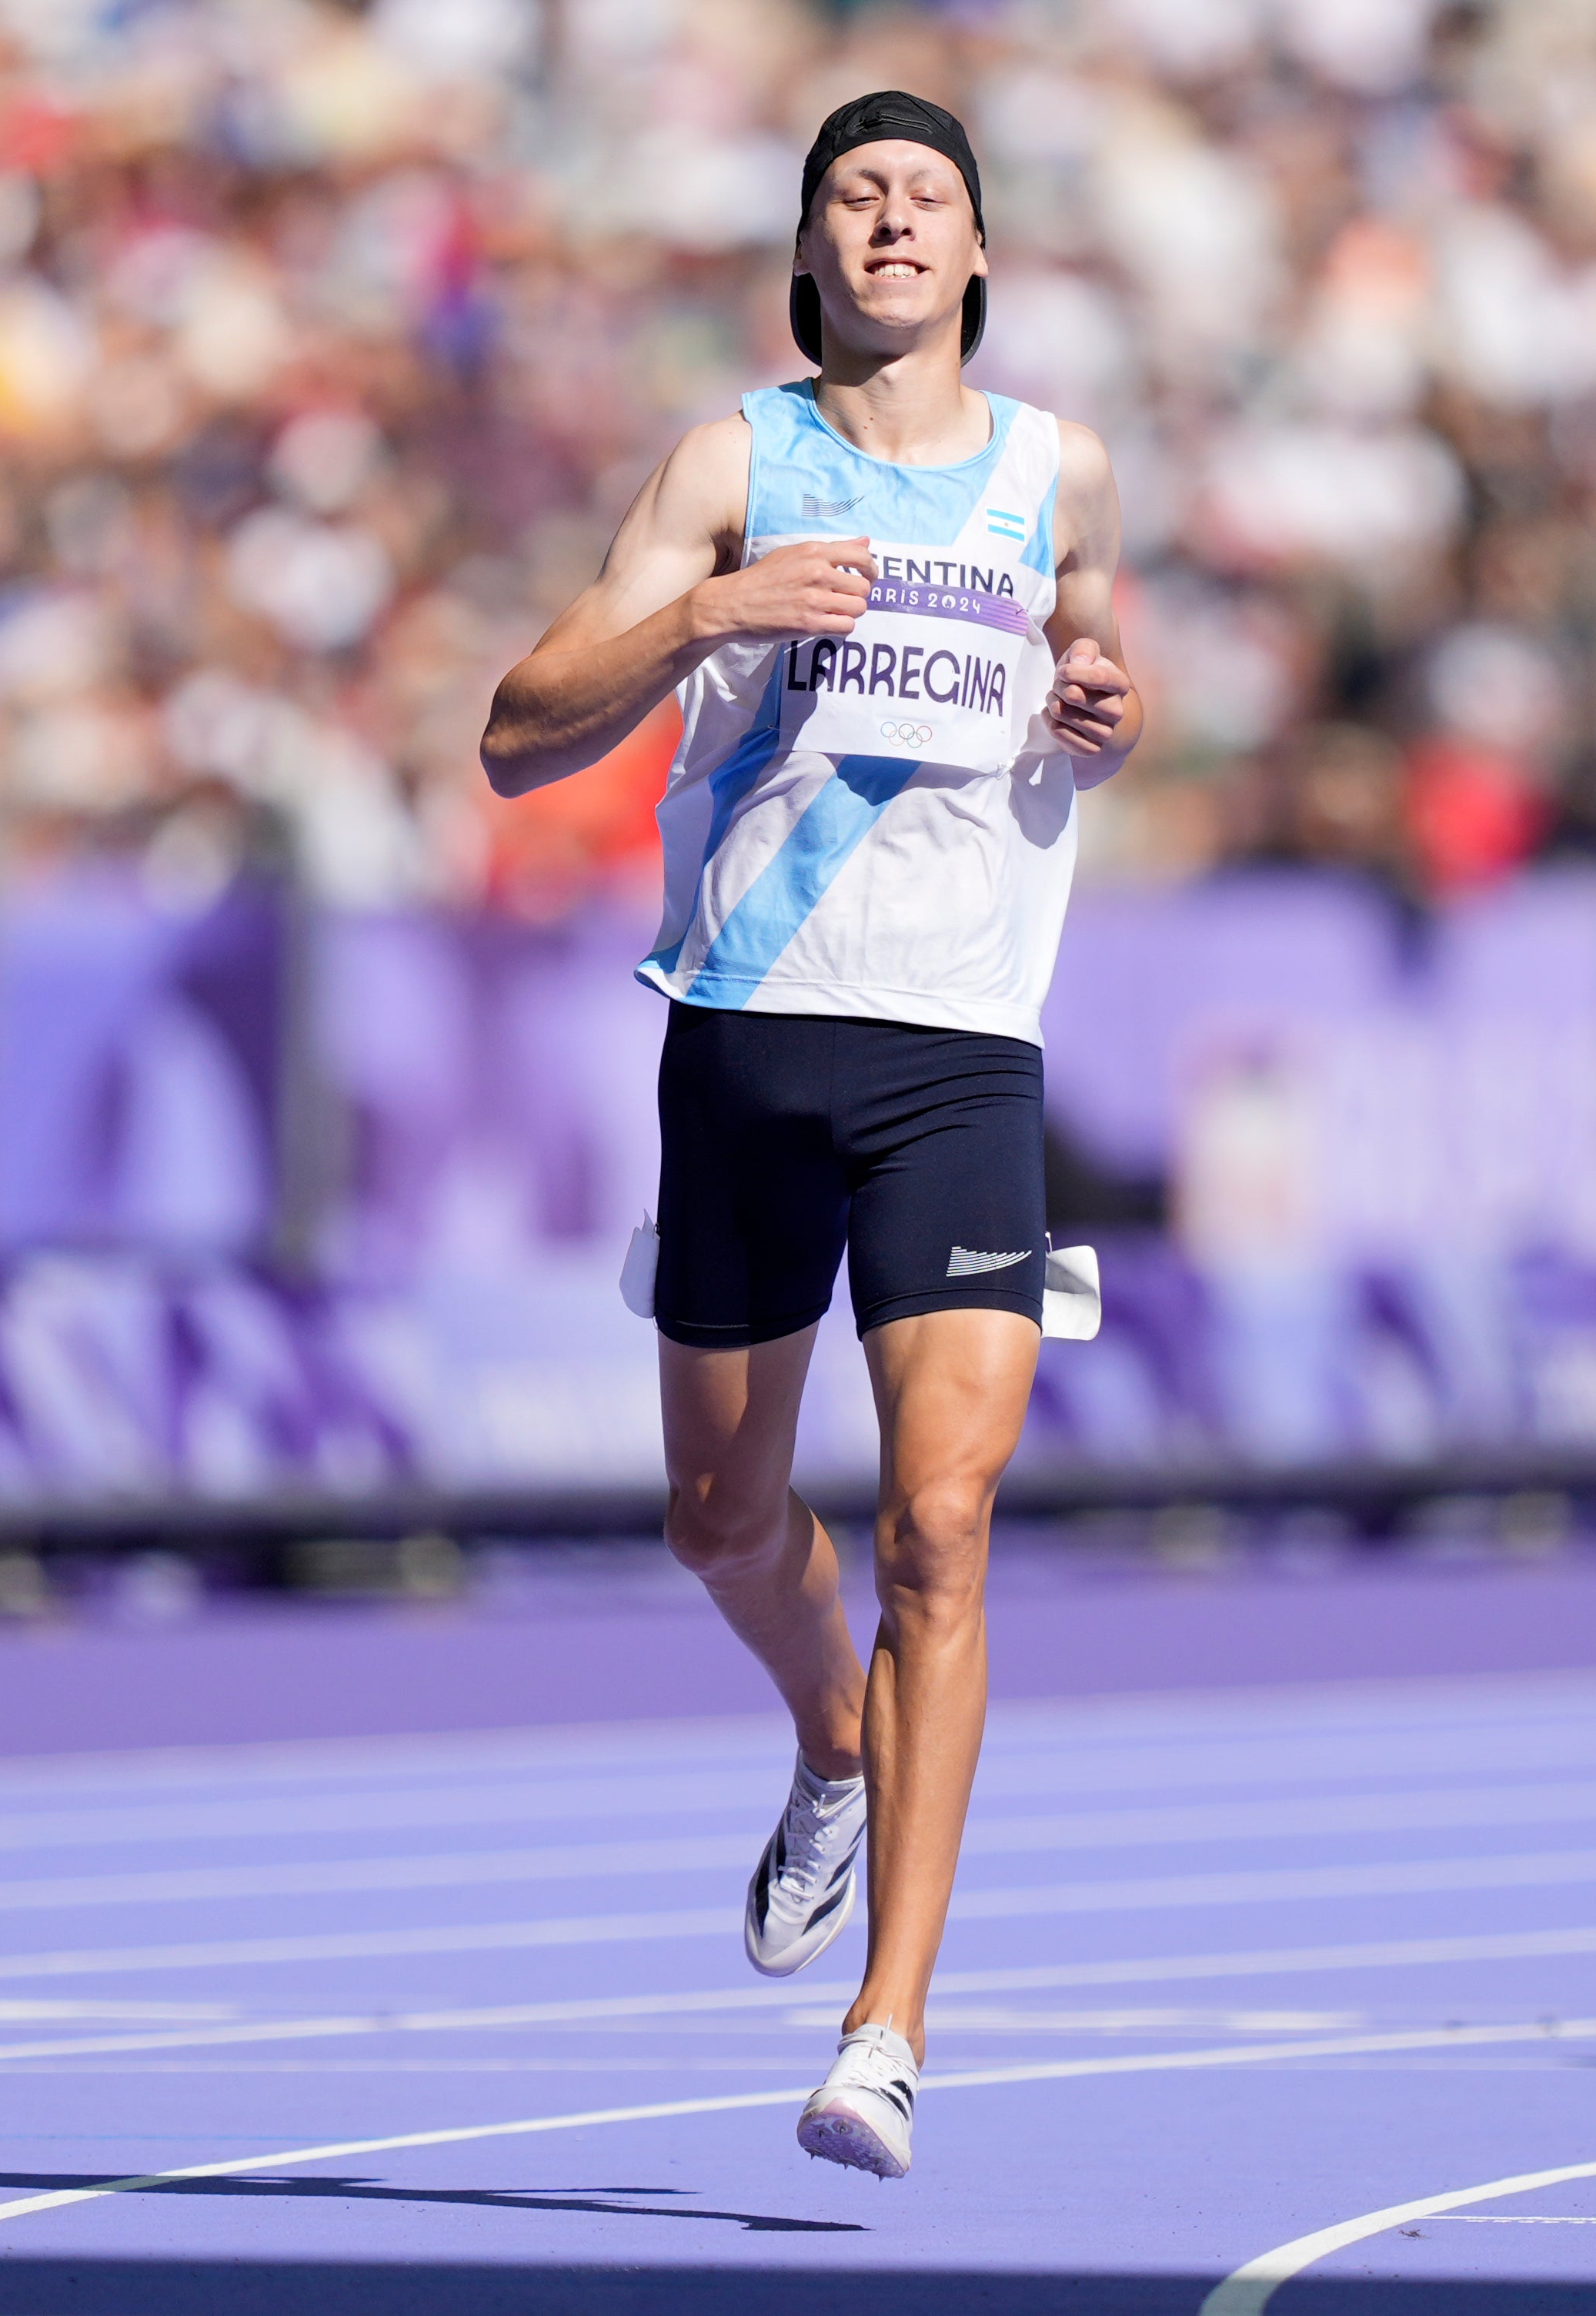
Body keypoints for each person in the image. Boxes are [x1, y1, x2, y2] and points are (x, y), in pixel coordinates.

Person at [477, 89, 1141, 2176]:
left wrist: (1115, 696)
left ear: (971, 251)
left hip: (960, 1050)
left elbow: (1097, 651)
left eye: (925, 195)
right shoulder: (728, 462)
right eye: (854, 194)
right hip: (753, 1036)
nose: (889, 221)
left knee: (943, 1522)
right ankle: (827, 1743)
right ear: (812, 249)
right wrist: (705, 615)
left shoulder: (1059, 468)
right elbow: (518, 733)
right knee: (717, 1515)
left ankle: (889, 2035)